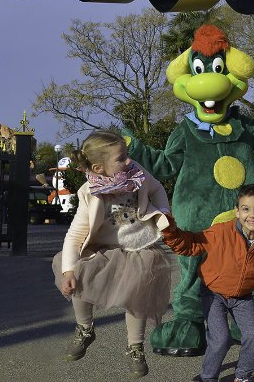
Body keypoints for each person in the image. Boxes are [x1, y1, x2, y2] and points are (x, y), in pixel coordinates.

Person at [51, 130, 174, 379]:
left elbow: (158, 188)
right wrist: (67, 271)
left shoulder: (136, 173)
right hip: (104, 248)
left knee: (137, 291)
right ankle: (85, 329)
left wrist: (163, 212)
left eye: (127, 155)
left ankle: (135, 347)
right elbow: (75, 235)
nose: (128, 161)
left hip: (139, 246)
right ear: (99, 167)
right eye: (121, 158)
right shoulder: (90, 192)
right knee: (77, 272)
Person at [161, 184, 254, 382]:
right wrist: (170, 230)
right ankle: (207, 377)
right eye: (245, 209)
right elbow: (191, 243)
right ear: (236, 211)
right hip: (213, 293)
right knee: (221, 339)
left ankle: (242, 375)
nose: (252, 214)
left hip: (242, 297)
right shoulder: (221, 232)